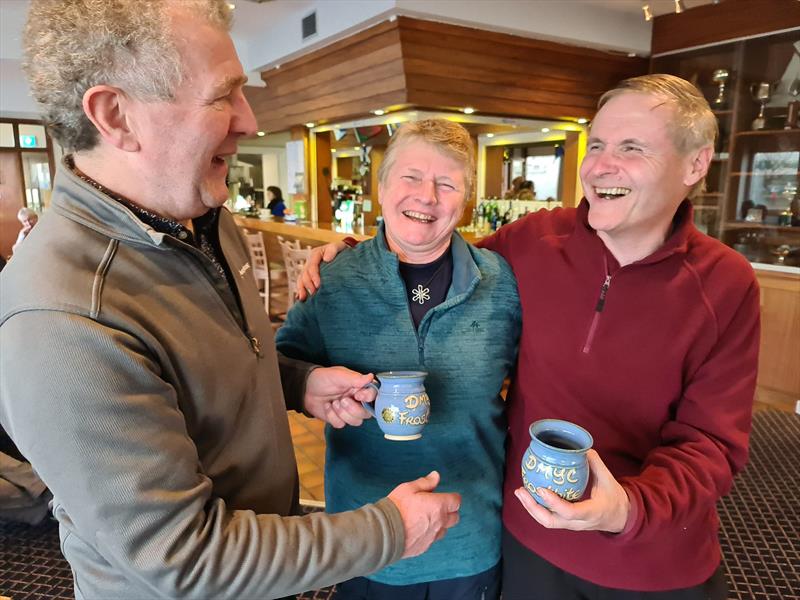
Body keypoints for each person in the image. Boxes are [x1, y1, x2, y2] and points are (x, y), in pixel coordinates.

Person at [0, 2, 460, 599]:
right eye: (223, 96)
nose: (248, 119)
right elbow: (185, 559)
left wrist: (295, 381)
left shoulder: (202, 218)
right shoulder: (60, 321)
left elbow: (206, 361)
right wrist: (389, 530)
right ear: (117, 116)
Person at [297, 74, 760, 599]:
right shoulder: (533, 242)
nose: (603, 164)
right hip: (527, 541)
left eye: (631, 148)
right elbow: (432, 256)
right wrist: (354, 257)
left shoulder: (726, 283)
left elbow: (712, 444)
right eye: (598, 145)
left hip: (650, 559)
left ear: (695, 164)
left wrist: (629, 507)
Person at [276, 119, 521, 600]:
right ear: (382, 187)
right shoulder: (332, 280)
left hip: (468, 538)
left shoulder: (503, 284)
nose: (426, 196)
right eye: (410, 177)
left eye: (446, 183)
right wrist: (307, 383)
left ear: (466, 197)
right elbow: (278, 367)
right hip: (367, 537)